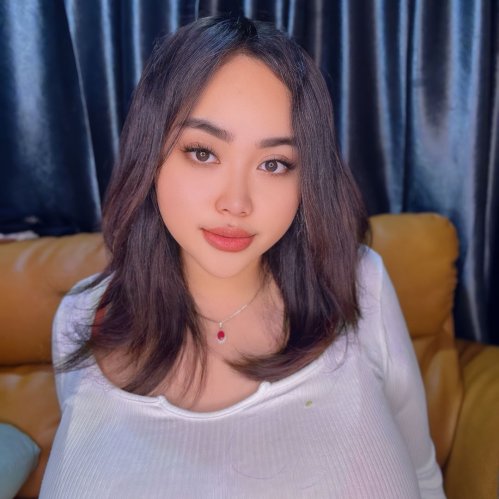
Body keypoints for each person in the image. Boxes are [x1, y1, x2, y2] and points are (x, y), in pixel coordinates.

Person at [40, 14, 445, 498]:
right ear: (150, 154)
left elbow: (424, 477)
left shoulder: (359, 283)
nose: (236, 203)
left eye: (273, 163)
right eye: (203, 152)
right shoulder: (81, 318)